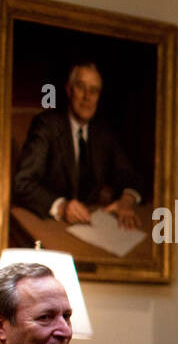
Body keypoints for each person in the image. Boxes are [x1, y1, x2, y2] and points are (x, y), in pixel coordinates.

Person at [11, 61, 145, 230]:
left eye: (94, 91)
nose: (87, 97)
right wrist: (61, 206)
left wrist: (127, 200)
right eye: (81, 87)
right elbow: (22, 184)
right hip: (51, 225)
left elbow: (131, 175)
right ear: (69, 90)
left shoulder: (104, 132)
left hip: (90, 226)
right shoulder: (47, 126)